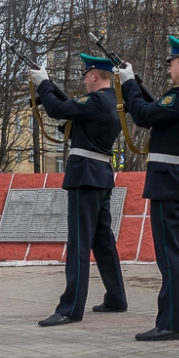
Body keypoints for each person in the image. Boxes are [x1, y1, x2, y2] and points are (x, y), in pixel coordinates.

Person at [117, 35, 179, 341]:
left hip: (168, 183)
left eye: (172, 63)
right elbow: (159, 113)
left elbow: (145, 116)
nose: (169, 68)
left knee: (170, 253)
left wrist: (129, 82)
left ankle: (172, 321)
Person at [33, 53, 128, 327]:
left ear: (95, 76)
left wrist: (43, 83)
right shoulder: (114, 102)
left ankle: (70, 308)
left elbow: (56, 109)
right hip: (100, 176)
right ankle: (116, 297)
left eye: (86, 74)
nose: (85, 79)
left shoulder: (96, 100)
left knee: (78, 244)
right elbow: (83, 129)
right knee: (102, 242)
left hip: (85, 175)